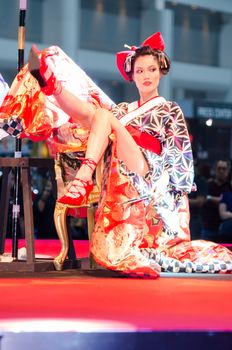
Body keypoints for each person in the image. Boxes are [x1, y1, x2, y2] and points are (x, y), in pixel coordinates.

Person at [1, 32, 232, 277]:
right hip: (124, 165)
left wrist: (172, 198)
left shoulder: (169, 109)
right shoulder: (123, 109)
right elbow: (87, 115)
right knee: (98, 115)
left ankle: (83, 177)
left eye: (151, 69)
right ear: (132, 75)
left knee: (103, 115)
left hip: (151, 173)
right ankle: (51, 84)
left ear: (161, 71)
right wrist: (54, 88)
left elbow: (180, 157)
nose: (146, 76)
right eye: (140, 71)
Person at [201, 160, 232, 242]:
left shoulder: (229, 186)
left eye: (224, 169)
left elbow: (220, 199)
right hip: (208, 226)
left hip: (226, 229)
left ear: (228, 171)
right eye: (219, 168)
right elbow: (202, 200)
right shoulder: (208, 184)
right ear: (215, 170)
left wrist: (210, 198)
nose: (221, 171)